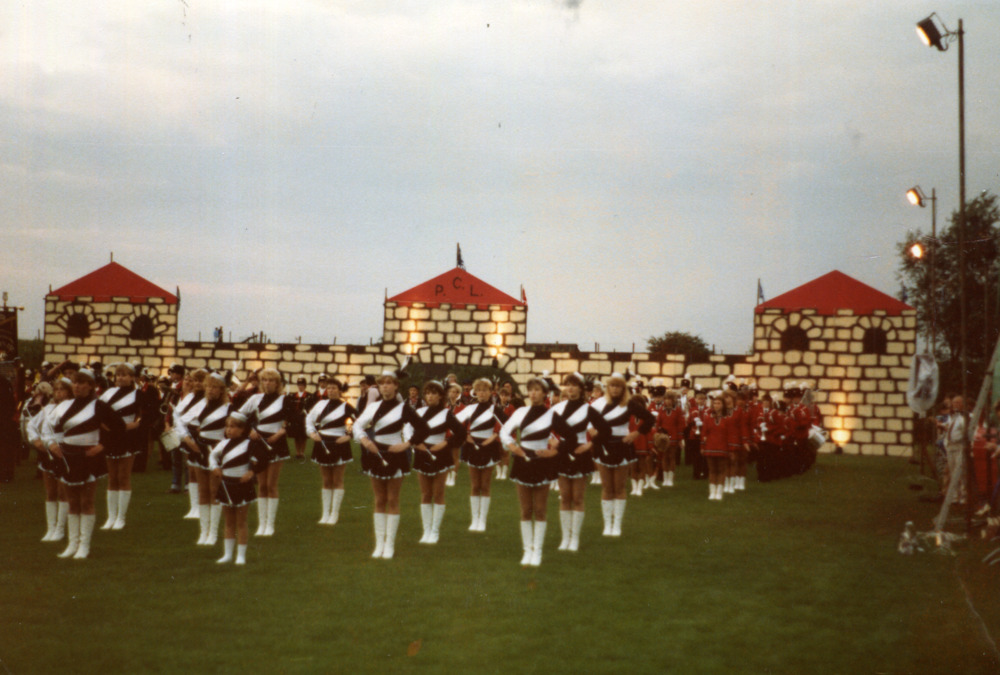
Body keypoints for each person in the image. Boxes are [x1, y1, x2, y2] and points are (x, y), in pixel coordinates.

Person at [42, 369, 125, 559]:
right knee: (72, 502)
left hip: (89, 457)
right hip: (68, 456)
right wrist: (51, 444)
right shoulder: (63, 406)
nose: (77, 386)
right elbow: (48, 429)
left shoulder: (99, 406)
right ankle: (72, 544)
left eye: (81, 383)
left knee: (86, 502)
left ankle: (84, 545)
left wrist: (102, 446)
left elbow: (119, 427)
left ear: (90, 386)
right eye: (74, 382)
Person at [352, 369, 430, 559]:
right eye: (382, 383)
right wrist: (365, 440)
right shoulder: (373, 407)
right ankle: (379, 544)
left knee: (393, 499)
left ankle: (390, 545)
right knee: (379, 500)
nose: (385, 387)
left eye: (389, 383)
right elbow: (357, 425)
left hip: (396, 456)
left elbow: (423, 428)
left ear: (396, 386)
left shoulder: (404, 408)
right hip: (376, 453)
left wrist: (407, 444)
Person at [500, 376, 559, 566]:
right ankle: (528, 550)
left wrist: (553, 451)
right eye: (531, 389)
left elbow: (568, 437)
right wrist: (513, 447)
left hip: (542, 462)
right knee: (526, 510)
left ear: (545, 393)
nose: (533, 393)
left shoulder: (552, 414)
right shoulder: (521, 412)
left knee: (540, 510)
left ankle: (537, 551)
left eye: (537, 390)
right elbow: (504, 431)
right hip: (523, 461)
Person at [590, 373, 654, 536]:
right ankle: (607, 525)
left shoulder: (629, 404)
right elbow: (585, 418)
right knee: (607, 488)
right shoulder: (598, 403)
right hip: (603, 446)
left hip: (622, 446)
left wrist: (636, 433)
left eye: (618, 386)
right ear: (608, 387)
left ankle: (617, 525)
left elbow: (649, 419)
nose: (615, 389)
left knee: (619, 488)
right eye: (612, 385)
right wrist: (591, 430)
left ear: (623, 388)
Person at [551, 372, 609, 552]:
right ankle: (565, 537)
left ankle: (574, 538)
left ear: (581, 389)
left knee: (577, 498)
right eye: (568, 384)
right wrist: (553, 441)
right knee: (564, 497)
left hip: (580, 454)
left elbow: (605, 430)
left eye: (574, 385)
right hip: (562, 453)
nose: (570, 388)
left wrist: (589, 445)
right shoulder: (558, 408)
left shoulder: (588, 409)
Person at [177, 371, 232, 545]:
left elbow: (236, 430)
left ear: (222, 390)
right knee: (203, 492)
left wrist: (223, 444)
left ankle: (213, 533)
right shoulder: (200, 404)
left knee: (214, 492)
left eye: (215, 387)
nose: (211, 390)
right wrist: (187, 439)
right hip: (199, 449)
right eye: (208, 386)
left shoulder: (228, 408)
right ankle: (203, 533)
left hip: (217, 451)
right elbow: (180, 421)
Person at [209, 412, 270, 565]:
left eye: (233, 427)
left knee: (241, 522)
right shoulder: (223, 444)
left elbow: (264, 459)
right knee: (229, 522)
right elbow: (212, 456)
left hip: (242, 485)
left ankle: (241, 555)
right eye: (227, 427)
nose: (229, 430)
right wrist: (214, 467)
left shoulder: (250, 444)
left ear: (242, 429)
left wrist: (252, 472)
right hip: (226, 484)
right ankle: (228, 554)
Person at [238, 368, 292, 536]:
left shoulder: (285, 400)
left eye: (271, 381)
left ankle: (270, 525)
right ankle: (261, 525)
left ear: (277, 383)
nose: (267, 383)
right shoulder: (255, 398)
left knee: (271, 485)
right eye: (265, 380)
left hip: (276, 443)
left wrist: (280, 433)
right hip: (259, 443)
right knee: (261, 486)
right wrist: (249, 431)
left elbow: (295, 421)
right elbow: (238, 416)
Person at [411, 380, 466, 543]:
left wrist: (445, 443)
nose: (430, 396)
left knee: (438, 493)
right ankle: (426, 531)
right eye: (427, 393)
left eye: (434, 393)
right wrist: (415, 443)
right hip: (422, 453)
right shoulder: (419, 412)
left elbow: (461, 433)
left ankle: (435, 531)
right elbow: (408, 429)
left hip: (440, 454)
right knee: (425, 494)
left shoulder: (446, 414)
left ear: (441, 396)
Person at [455, 378, 505, 532]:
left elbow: (508, 425)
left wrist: (494, 436)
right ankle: (474, 520)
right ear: (475, 392)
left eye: (485, 390)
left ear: (490, 392)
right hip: (472, 447)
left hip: (488, 447)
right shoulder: (470, 408)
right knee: (475, 486)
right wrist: (465, 435)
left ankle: (482, 520)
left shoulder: (495, 409)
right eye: (479, 391)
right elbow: (454, 422)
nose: (482, 393)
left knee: (485, 485)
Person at [98, 363, 144, 530]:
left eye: (125, 375)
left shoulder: (138, 394)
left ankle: (121, 518)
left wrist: (134, 425)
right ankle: (111, 517)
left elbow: (143, 415)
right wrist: (104, 426)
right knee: (112, 477)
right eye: (118, 375)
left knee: (123, 477)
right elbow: (98, 412)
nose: (121, 378)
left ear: (132, 377)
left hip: (127, 437)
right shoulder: (108, 393)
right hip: (110, 436)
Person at [305, 377, 357, 525]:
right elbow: (309, 420)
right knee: (326, 481)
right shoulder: (320, 404)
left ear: (340, 391)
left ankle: (334, 514)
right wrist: (312, 433)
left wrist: (349, 436)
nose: (331, 391)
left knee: (337, 480)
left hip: (339, 443)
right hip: (322, 443)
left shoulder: (346, 406)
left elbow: (360, 423)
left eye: (334, 388)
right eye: (329, 388)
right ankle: (325, 514)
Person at [26, 381, 69, 541]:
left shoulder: (72, 408)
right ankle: (51, 528)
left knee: (63, 492)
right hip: (48, 452)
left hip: (64, 452)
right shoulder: (48, 408)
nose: (59, 392)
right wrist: (36, 441)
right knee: (50, 492)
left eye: (62, 390)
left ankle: (60, 529)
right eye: (56, 389)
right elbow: (31, 425)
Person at [173, 370, 207, 519]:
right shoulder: (189, 397)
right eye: (195, 380)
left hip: (202, 435)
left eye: (201, 380)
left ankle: (202, 506)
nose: (197, 383)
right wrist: (185, 437)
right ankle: (194, 508)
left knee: (201, 472)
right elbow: (177, 416)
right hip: (188, 434)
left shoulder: (208, 398)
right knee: (192, 471)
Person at [700, 394, 730, 500]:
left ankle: (719, 491)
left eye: (719, 403)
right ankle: (712, 492)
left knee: (721, 470)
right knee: (712, 470)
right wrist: (702, 446)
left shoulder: (727, 419)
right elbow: (704, 433)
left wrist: (729, 448)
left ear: (723, 405)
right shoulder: (708, 418)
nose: (716, 405)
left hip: (722, 447)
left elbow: (730, 434)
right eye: (715, 403)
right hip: (710, 446)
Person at [654, 390, 685, 487]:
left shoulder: (678, 410)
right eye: (666, 399)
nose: (667, 401)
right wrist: (657, 434)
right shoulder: (661, 409)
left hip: (673, 436)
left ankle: (670, 478)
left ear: (673, 400)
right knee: (664, 457)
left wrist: (680, 438)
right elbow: (658, 423)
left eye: (670, 399)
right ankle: (665, 478)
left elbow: (680, 425)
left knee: (671, 457)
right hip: (663, 436)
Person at [288, 377, 311, 461]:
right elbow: (291, 408)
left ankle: (302, 452)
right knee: (296, 436)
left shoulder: (309, 396)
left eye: (302, 385)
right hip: (295, 418)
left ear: (305, 386)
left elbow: (310, 407)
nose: (300, 387)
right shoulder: (293, 395)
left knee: (303, 436)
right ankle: (297, 452)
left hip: (304, 418)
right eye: (299, 385)